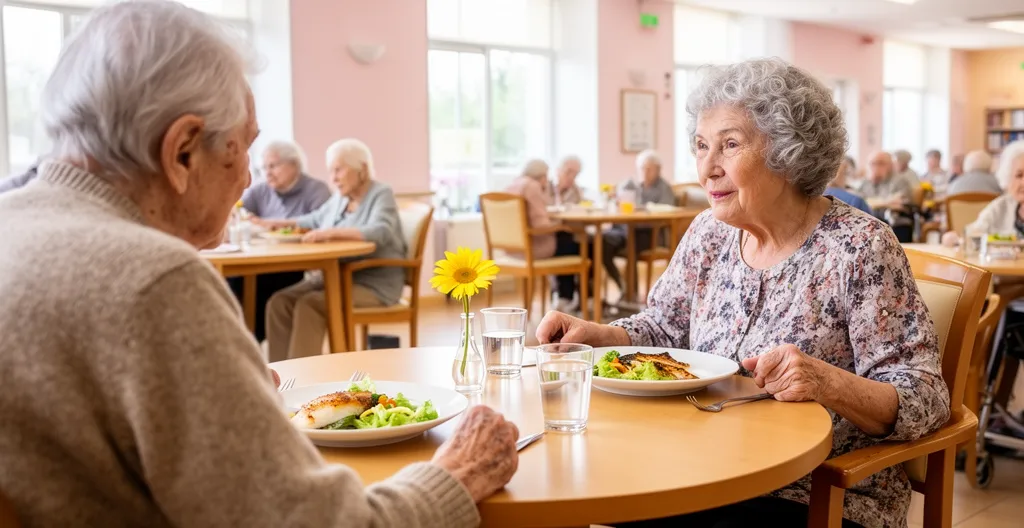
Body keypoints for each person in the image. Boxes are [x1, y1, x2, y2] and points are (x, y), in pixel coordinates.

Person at [0, 4, 521, 526]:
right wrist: (456, 475)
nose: (249, 179)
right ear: (182, 151)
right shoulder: (156, 282)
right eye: (243, 147)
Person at [537, 58, 948, 528]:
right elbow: (664, 327)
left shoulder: (859, 247)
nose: (707, 169)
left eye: (729, 145)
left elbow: (925, 398)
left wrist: (826, 382)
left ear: (788, 152)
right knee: (576, 497)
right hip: (702, 468)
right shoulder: (707, 233)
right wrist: (598, 335)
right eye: (700, 146)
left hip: (817, 491)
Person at [263, 138, 406, 360]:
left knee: (309, 305)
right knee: (279, 303)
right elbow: (313, 219)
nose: (333, 179)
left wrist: (328, 233)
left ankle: (302, 379)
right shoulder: (340, 199)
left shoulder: (380, 193)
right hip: (334, 278)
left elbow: (380, 231)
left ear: (362, 169)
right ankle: (278, 379)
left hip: (373, 284)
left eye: (338, 170)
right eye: (331, 171)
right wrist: (274, 224)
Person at [228, 140, 331, 343]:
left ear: (294, 165)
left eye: (273, 166)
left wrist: (269, 224)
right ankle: (237, 340)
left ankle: (249, 342)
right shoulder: (261, 190)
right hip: (260, 260)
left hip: (295, 265)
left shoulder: (316, 190)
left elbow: (322, 226)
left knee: (259, 286)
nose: (268, 172)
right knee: (233, 281)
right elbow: (239, 209)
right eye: (264, 167)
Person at [506, 158, 589, 311]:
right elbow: (540, 224)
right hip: (534, 248)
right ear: (541, 175)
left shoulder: (514, 184)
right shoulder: (532, 186)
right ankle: (571, 298)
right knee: (578, 245)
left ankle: (563, 296)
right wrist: (561, 226)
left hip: (513, 249)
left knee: (566, 242)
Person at [602, 150, 677, 299]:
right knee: (600, 242)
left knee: (632, 243)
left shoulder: (664, 188)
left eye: (649, 168)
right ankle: (622, 286)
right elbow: (619, 203)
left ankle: (632, 295)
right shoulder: (631, 185)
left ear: (658, 170)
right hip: (624, 230)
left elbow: (667, 211)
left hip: (649, 234)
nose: (645, 172)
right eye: (642, 168)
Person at [941, 140, 1024, 246]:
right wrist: (956, 238)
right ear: (1008, 179)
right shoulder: (1002, 205)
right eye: (1019, 175)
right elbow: (974, 231)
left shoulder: (955, 183)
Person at [860, 151, 914, 241]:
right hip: (868, 220)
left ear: (891, 165)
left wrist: (872, 203)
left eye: (881, 163)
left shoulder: (900, 180)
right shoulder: (865, 182)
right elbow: (859, 202)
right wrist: (887, 202)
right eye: (873, 163)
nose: (876, 167)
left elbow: (900, 203)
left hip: (894, 221)